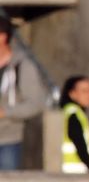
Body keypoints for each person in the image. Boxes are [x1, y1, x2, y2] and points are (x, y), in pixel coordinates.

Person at [0, 12, 46, 170]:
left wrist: (5, 112)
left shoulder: (23, 66)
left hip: (7, 142)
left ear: (2, 37)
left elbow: (36, 103)